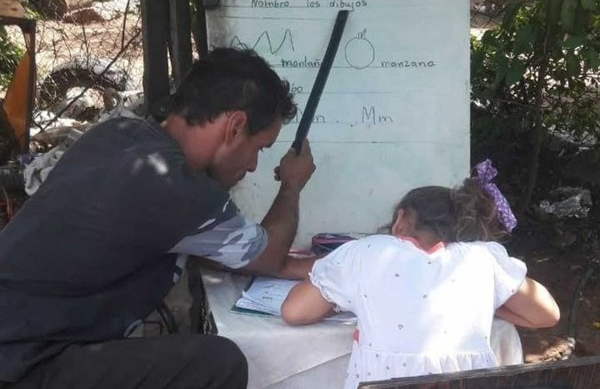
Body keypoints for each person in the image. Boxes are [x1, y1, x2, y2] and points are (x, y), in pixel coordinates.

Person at [0, 48, 317, 389]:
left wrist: (312, 266)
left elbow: (237, 253)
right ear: (235, 126)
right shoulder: (176, 187)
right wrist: (291, 185)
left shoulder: (117, 134)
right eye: (259, 148)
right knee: (216, 364)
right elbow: (267, 257)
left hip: (19, 337)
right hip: (24, 361)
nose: (253, 165)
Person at [281, 160, 560, 389]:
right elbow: (546, 315)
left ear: (401, 219)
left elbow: (295, 312)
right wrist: (486, 303)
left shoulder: (366, 252)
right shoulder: (483, 259)